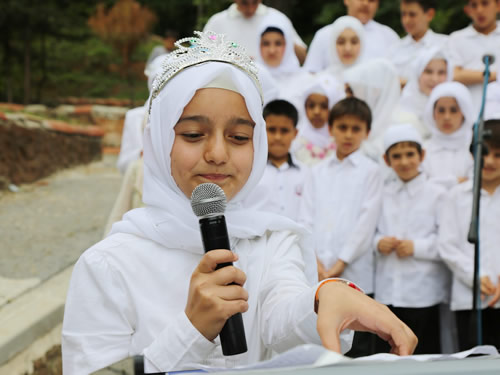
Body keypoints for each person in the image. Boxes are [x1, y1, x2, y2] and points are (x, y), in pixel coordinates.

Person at [62, 31, 417, 374]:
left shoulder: (272, 241)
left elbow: (281, 316)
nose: (217, 154)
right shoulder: (108, 266)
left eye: (238, 137)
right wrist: (192, 331)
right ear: (157, 139)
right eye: (192, 134)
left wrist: (321, 298)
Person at [299, 97, 382, 357]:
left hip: (353, 268)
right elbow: (305, 218)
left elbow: (366, 223)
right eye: (342, 127)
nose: (348, 134)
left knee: (358, 343)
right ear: (330, 128)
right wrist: (318, 264)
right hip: (319, 271)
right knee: (324, 341)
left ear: (367, 132)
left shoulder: (371, 171)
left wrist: (339, 263)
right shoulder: (317, 171)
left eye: (356, 129)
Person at [374, 124, 448, 354]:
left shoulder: (437, 194)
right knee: (389, 356)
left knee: (423, 354)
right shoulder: (382, 193)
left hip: (423, 294)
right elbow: (367, 233)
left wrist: (416, 247)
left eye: (410, 154)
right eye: (397, 156)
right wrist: (378, 243)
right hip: (387, 293)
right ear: (387, 160)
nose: (404, 161)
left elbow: (447, 243)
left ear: (422, 155)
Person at [438, 118, 500, 351]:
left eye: (498, 154)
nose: (490, 161)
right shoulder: (456, 196)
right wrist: (476, 276)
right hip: (469, 299)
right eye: (484, 153)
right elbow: (447, 245)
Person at [343, 59, 425, 161]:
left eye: (351, 91)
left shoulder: (405, 123)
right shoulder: (351, 122)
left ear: (374, 91)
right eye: (346, 91)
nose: (346, 97)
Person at [244, 99, 308, 222]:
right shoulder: (249, 170)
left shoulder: (305, 174)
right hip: (256, 239)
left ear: (295, 133)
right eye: (272, 130)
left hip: (295, 239)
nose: (278, 137)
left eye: (284, 130)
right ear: (262, 130)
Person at [203, 0, 306, 62]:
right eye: (245, 3)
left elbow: (302, 57)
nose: (250, 9)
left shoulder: (278, 18)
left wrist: (283, 39)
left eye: (255, 2)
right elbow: (202, 56)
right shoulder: (217, 22)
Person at [448, 0, 500, 111]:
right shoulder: (456, 39)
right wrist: (496, 75)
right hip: (471, 115)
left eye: (485, 3)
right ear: (467, 10)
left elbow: (461, 74)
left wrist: (469, 75)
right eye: (474, 5)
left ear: (498, 5)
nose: (479, 10)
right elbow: (454, 75)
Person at [421, 82, 475, 189]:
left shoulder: (474, 148)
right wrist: (457, 181)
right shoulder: (423, 149)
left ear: (464, 113)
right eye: (441, 110)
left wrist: (433, 183)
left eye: (453, 110)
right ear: (433, 113)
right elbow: (420, 187)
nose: (446, 117)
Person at [389, 0, 448, 85]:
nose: (406, 20)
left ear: (429, 14)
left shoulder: (445, 44)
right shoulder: (394, 49)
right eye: (403, 14)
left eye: (412, 14)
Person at [290, 74, 344, 166]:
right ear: (304, 108)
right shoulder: (295, 142)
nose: (317, 112)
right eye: (311, 106)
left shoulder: (342, 142)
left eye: (324, 106)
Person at [400, 47, 450, 123]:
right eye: (428, 72)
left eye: (441, 72)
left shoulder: (456, 110)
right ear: (417, 74)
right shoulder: (402, 111)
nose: (434, 79)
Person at [255, 18, 301, 95]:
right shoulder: (249, 78)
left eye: (278, 43)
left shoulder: (304, 81)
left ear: (288, 46)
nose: (272, 50)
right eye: (266, 44)